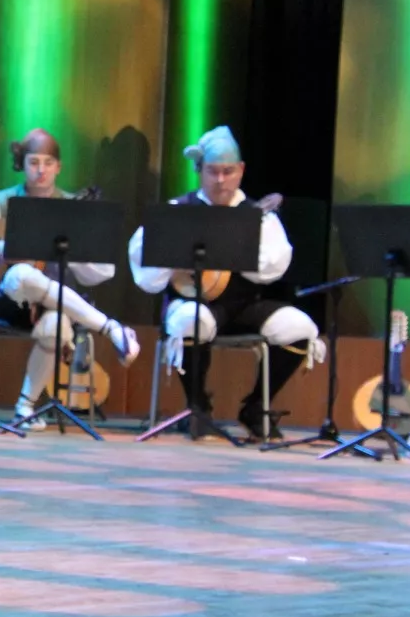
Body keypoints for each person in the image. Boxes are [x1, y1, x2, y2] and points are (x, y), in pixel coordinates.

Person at [128, 126, 323, 441]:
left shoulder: (257, 215)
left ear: (241, 171)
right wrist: (175, 258)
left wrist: (237, 248)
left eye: (228, 172)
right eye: (212, 172)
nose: (220, 180)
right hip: (194, 302)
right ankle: (197, 407)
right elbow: (143, 259)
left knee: (300, 327)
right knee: (192, 321)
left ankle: (256, 408)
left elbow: (276, 264)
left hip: (245, 305)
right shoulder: (179, 211)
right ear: (200, 171)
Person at [0, 128, 139, 429]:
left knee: (58, 326)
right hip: (8, 301)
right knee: (22, 273)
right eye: (34, 162)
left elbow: (103, 271)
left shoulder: (71, 206)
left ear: (59, 167)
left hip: (53, 307)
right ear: (23, 164)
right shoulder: (2, 203)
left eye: (48, 163)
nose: (41, 170)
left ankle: (25, 408)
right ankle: (109, 327)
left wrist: (73, 251)